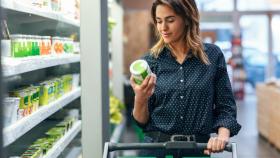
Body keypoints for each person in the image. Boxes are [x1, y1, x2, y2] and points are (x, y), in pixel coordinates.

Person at [130, 0, 241, 157]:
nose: (163, 28)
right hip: (157, 150)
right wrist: (140, 97)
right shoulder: (150, 61)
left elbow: (226, 107)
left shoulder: (212, 56)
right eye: (159, 21)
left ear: (188, 18)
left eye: (170, 20)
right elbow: (141, 121)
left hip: (196, 151)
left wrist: (222, 137)